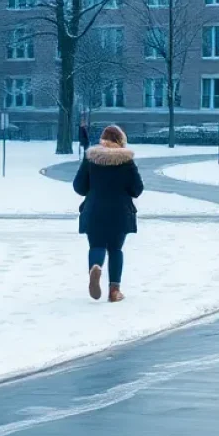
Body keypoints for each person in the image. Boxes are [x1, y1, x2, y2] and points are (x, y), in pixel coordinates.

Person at [73, 124, 144, 303]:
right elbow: (137, 189)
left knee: (96, 246)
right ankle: (114, 291)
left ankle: (95, 267)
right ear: (121, 141)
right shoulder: (127, 160)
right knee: (115, 249)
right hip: (120, 212)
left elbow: (79, 187)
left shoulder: (91, 157)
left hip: (94, 210)